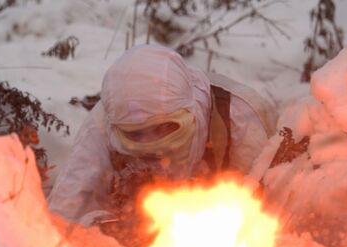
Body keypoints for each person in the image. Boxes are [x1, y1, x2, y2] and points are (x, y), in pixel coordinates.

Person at [48, 45, 278, 232]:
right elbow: (63, 221)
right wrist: (110, 229)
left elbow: (275, 210)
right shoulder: (103, 124)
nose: (152, 144)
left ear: (192, 112)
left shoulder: (239, 115)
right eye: (136, 133)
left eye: (163, 128)